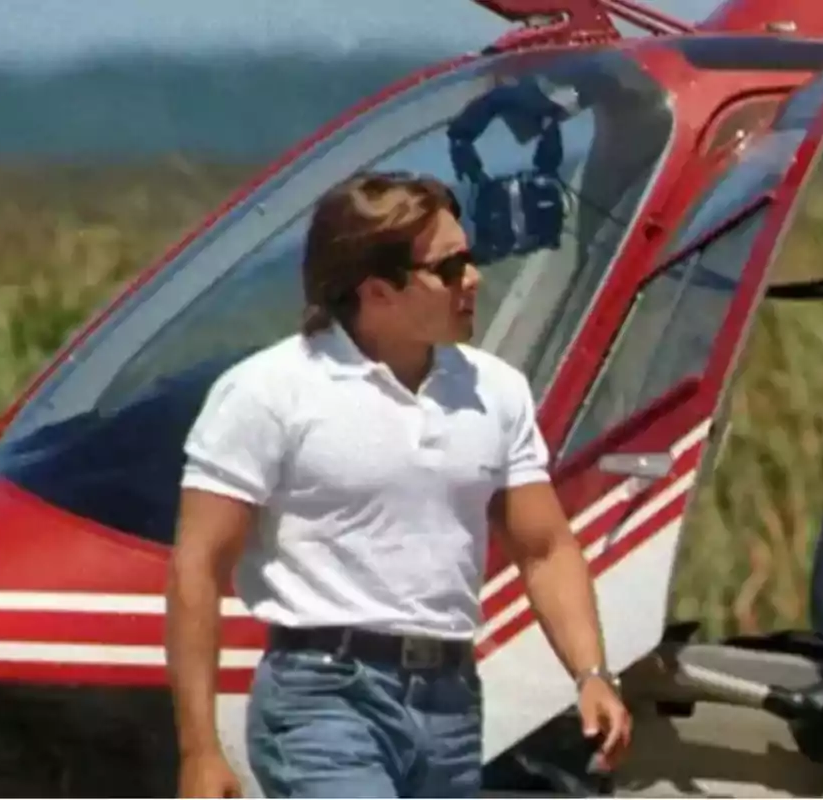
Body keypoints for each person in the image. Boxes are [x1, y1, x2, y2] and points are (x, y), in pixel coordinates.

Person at [164, 170, 631, 798]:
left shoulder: (496, 392)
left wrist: (591, 673)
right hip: (323, 697)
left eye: (470, 259)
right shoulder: (267, 393)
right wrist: (199, 750)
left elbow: (544, 548)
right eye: (449, 267)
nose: (473, 279)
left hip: (451, 704)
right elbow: (198, 564)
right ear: (377, 291)